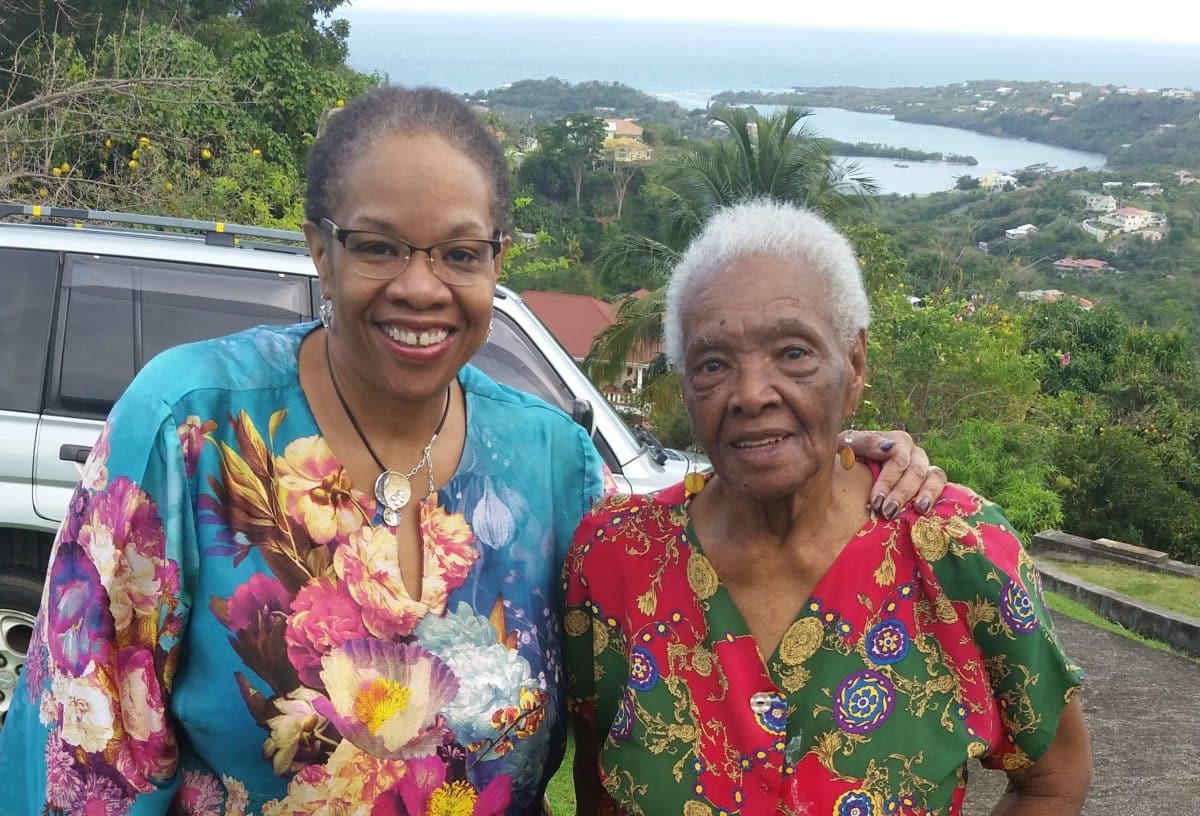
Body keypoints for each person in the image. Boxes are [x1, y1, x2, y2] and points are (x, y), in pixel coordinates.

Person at [0, 89, 945, 815]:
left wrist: (837, 465)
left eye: (460, 254)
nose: (421, 287)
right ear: (318, 251)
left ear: (498, 259)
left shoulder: (549, 464)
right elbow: (82, 762)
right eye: (378, 247)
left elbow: (690, 576)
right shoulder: (189, 430)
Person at [564, 200, 1092, 816]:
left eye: (793, 353)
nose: (752, 393)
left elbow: (1054, 777)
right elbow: (600, 785)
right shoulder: (615, 559)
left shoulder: (955, 551)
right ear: (685, 384)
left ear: (855, 364)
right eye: (712, 364)